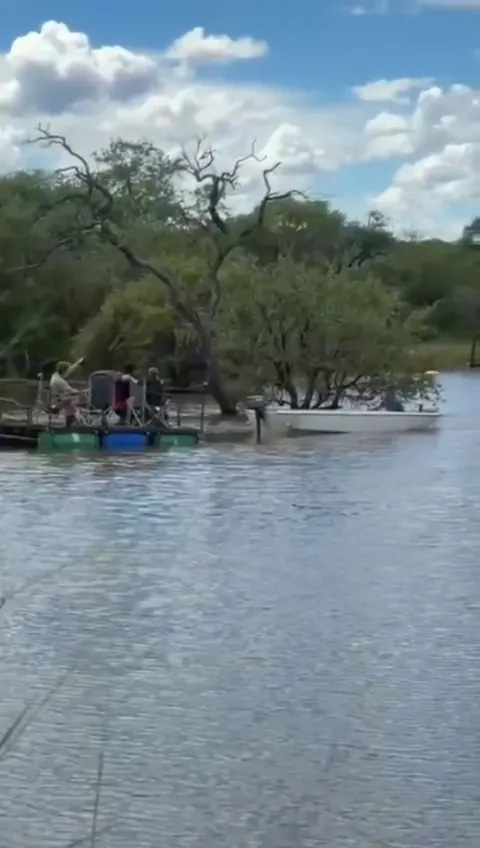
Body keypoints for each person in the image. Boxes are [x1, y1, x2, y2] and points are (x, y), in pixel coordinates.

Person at [49, 358, 84, 426]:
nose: (69, 372)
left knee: (69, 401)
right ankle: (70, 423)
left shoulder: (55, 376)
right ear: (63, 371)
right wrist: (82, 392)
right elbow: (70, 391)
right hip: (56, 403)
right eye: (67, 370)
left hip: (54, 400)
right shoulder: (59, 381)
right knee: (70, 401)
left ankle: (70, 421)